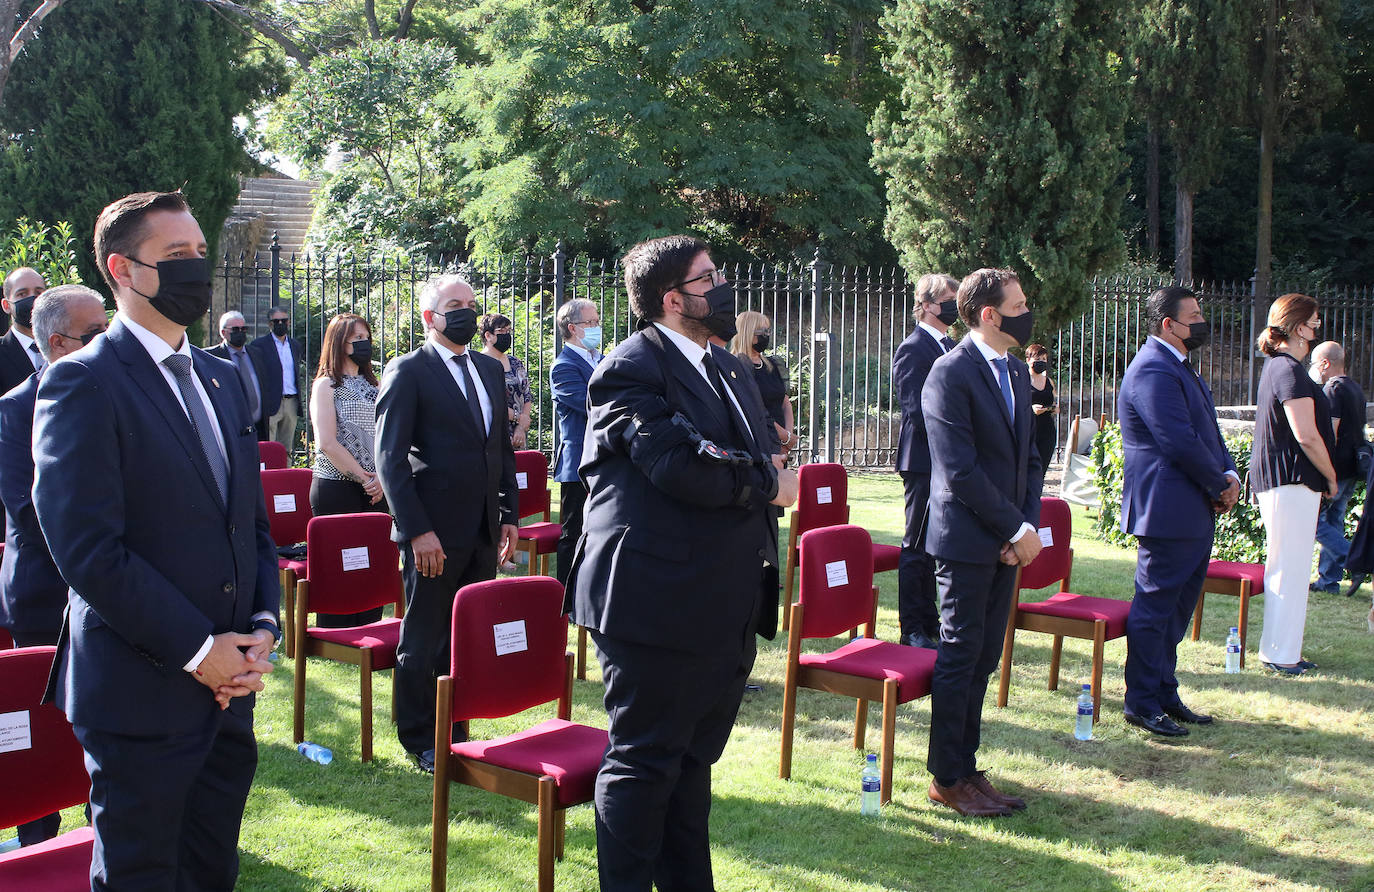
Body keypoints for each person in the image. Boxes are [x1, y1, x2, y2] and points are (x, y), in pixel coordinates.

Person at [31, 190, 280, 889]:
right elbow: (88, 550)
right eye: (176, 257)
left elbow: (251, 525)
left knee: (210, 872)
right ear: (123, 269)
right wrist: (201, 651)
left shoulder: (225, 379)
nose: (196, 269)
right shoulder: (83, 382)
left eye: (199, 253)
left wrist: (261, 627)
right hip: (140, 696)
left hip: (231, 692)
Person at [565, 235, 797, 889]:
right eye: (709, 277)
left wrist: (760, 472)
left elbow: (748, 453)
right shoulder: (629, 366)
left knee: (692, 766)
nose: (723, 287)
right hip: (652, 599)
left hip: (722, 596)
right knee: (645, 763)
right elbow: (678, 464)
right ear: (673, 299)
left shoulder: (729, 368)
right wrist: (765, 482)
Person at [375, 274, 519, 773]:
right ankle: (419, 736)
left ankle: (456, 725)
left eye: (472, 304)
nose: (467, 312)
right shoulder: (407, 371)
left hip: (482, 527)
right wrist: (416, 530)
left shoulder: (487, 367)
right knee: (425, 635)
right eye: (454, 304)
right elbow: (390, 459)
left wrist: (509, 514)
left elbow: (500, 447)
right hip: (431, 533)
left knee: (468, 636)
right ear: (428, 317)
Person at [923, 267, 1043, 818]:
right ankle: (946, 778)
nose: (1027, 311)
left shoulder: (1016, 371)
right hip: (966, 542)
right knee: (960, 657)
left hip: (1006, 541)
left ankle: (969, 769)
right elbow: (960, 471)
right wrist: (1014, 530)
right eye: (1018, 304)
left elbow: (1030, 462)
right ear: (989, 314)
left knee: (985, 658)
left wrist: (1026, 528)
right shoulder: (949, 373)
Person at [0, 283, 106, 849]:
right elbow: (26, 506)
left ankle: (103, 834)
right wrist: (100, 551)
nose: (109, 339)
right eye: (96, 333)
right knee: (37, 728)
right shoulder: (16, 409)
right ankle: (35, 842)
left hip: (107, 590)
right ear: (59, 344)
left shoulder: (112, 392)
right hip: (45, 592)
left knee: (100, 719)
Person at [1117, 286, 1239, 737]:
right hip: (1167, 510)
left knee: (1176, 611)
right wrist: (1216, 483)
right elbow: (1177, 441)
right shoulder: (1152, 368)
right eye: (1195, 315)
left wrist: (1228, 475)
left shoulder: (1180, 367)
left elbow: (1207, 430)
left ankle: (1165, 691)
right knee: (1154, 609)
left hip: (1193, 508)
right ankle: (1141, 701)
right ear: (1168, 324)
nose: (1202, 322)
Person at [1251, 293, 1337, 675]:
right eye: (1314, 320)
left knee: (1291, 565)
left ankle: (1283, 650)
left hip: (1288, 481)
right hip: (1291, 480)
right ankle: (1280, 654)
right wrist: (1331, 475)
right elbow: (1305, 435)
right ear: (1299, 326)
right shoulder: (1288, 370)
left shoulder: (1282, 367)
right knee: (1290, 565)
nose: (1318, 327)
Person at [892, 272, 960, 650]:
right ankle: (912, 627)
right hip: (922, 461)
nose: (954, 306)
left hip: (946, 463)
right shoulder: (914, 348)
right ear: (929, 304)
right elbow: (915, 409)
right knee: (916, 545)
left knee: (937, 545)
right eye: (948, 299)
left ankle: (931, 623)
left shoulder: (949, 346)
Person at [309, 312, 388, 628]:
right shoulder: (326, 385)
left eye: (366, 337)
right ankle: (334, 629)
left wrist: (380, 477)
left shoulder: (376, 383)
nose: (364, 344)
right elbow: (326, 442)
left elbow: (387, 435)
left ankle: (370, 621)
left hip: (376, 486)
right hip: (336, 485)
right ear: (339, 342)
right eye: (357, 339)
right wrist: (363, 476)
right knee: (341, 562)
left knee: (372, 561)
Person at [550, 297, 600, 586]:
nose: (597, 327)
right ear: (572, 327)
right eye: (591, 323)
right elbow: (591, 404)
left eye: (597, 322)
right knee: (574, 531)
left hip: (603, 458)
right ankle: (567, 600)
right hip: (578, 462)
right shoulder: (563, 366)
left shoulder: (601, 360)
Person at [1310, 341, 1367, 594]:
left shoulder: (1332, 390)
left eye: (1314, 363)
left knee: (1314, 522)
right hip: (1353, 467)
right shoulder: (1355, 389)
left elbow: (1329, 434)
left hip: (1335, 470)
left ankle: (1353, 562)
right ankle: (1328, 581)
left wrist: (1324, 471)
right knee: (1335, 520)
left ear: (1326, 363)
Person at [730, 310, 795, 456]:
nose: (767, 335)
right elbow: (754, 409)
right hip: (758, 442)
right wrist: (783, 436)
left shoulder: (773, 364)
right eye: (762, 331)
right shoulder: (736, 366)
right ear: (748, 333)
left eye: (768, 330)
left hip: (781, 444)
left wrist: (788, 437)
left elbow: (785, 403)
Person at [250, 304, 304, 453]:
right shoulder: (259, 346)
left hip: (291, 401)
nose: (280, 324)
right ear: (270, 324)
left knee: (287, 449)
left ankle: (285, 475)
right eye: (276, 321)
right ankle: (268, 476)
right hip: (271, 403)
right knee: (268, 447)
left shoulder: (294, 345)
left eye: (283, 320)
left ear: (289, 322)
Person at [208, 309, 270, 438]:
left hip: (258, 427)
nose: (240, 333)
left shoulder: (256, 354)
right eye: (235, 329)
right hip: (230, 427)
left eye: (244, 329)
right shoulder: (211, 357)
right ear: (223, 333)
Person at [478, 312, 534, 449]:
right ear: (488, 335)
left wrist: (521, 426)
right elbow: (486, 400)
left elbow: (527, 394)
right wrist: (518, 417)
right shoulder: (478, 364)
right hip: (494, 433)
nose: (507, 335)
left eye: (509, 331)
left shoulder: (515, 362)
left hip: (519, 436)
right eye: (502, 331)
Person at [0, 266, 48, 394]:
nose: (32, 300)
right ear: (6, 305)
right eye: (22, 294)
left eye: (38, 293)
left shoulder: (64, 345)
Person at [1026, 343, 1059, 468]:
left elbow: (1053, 400)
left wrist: (1053, 408)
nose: (1041, 362)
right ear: (1028, 360)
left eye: (1044, 359)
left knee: (1042, 467)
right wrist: (1031, 409)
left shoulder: (1049, 381)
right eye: (1038, 359)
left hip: (1047, 430)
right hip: (1029, 429)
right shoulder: (1022, 380)